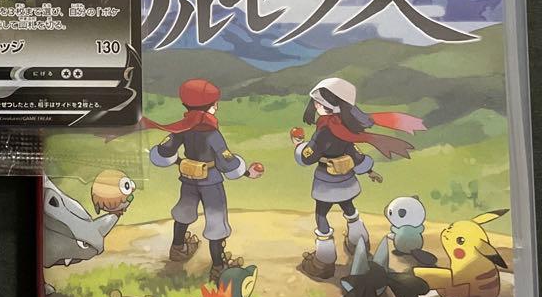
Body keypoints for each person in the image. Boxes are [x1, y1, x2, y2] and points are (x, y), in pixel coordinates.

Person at [293, 78, 423, 281]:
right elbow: (355, 153)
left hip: (326, 181)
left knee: (321, 215)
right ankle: (359, 241)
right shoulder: (346, 128)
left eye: (319, 102)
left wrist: (299, 145)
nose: (316, 106)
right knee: (349, 209)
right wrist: (368, 170)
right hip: (346, 180)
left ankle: (324, 261)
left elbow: (308, 157)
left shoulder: (324, 130)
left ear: (328, 105)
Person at [146, 78, 262, 280]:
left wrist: (180, 162)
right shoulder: (211, 133)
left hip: (188, 179)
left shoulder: (183, 128)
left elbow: (164, 151)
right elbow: (226, 161)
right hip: (211, 182)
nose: (217, 106)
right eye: (214, 103)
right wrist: (246, 172)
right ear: (209, 107)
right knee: (216, 222)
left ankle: (178, 248)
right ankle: (218, 266)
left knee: (184, 212)